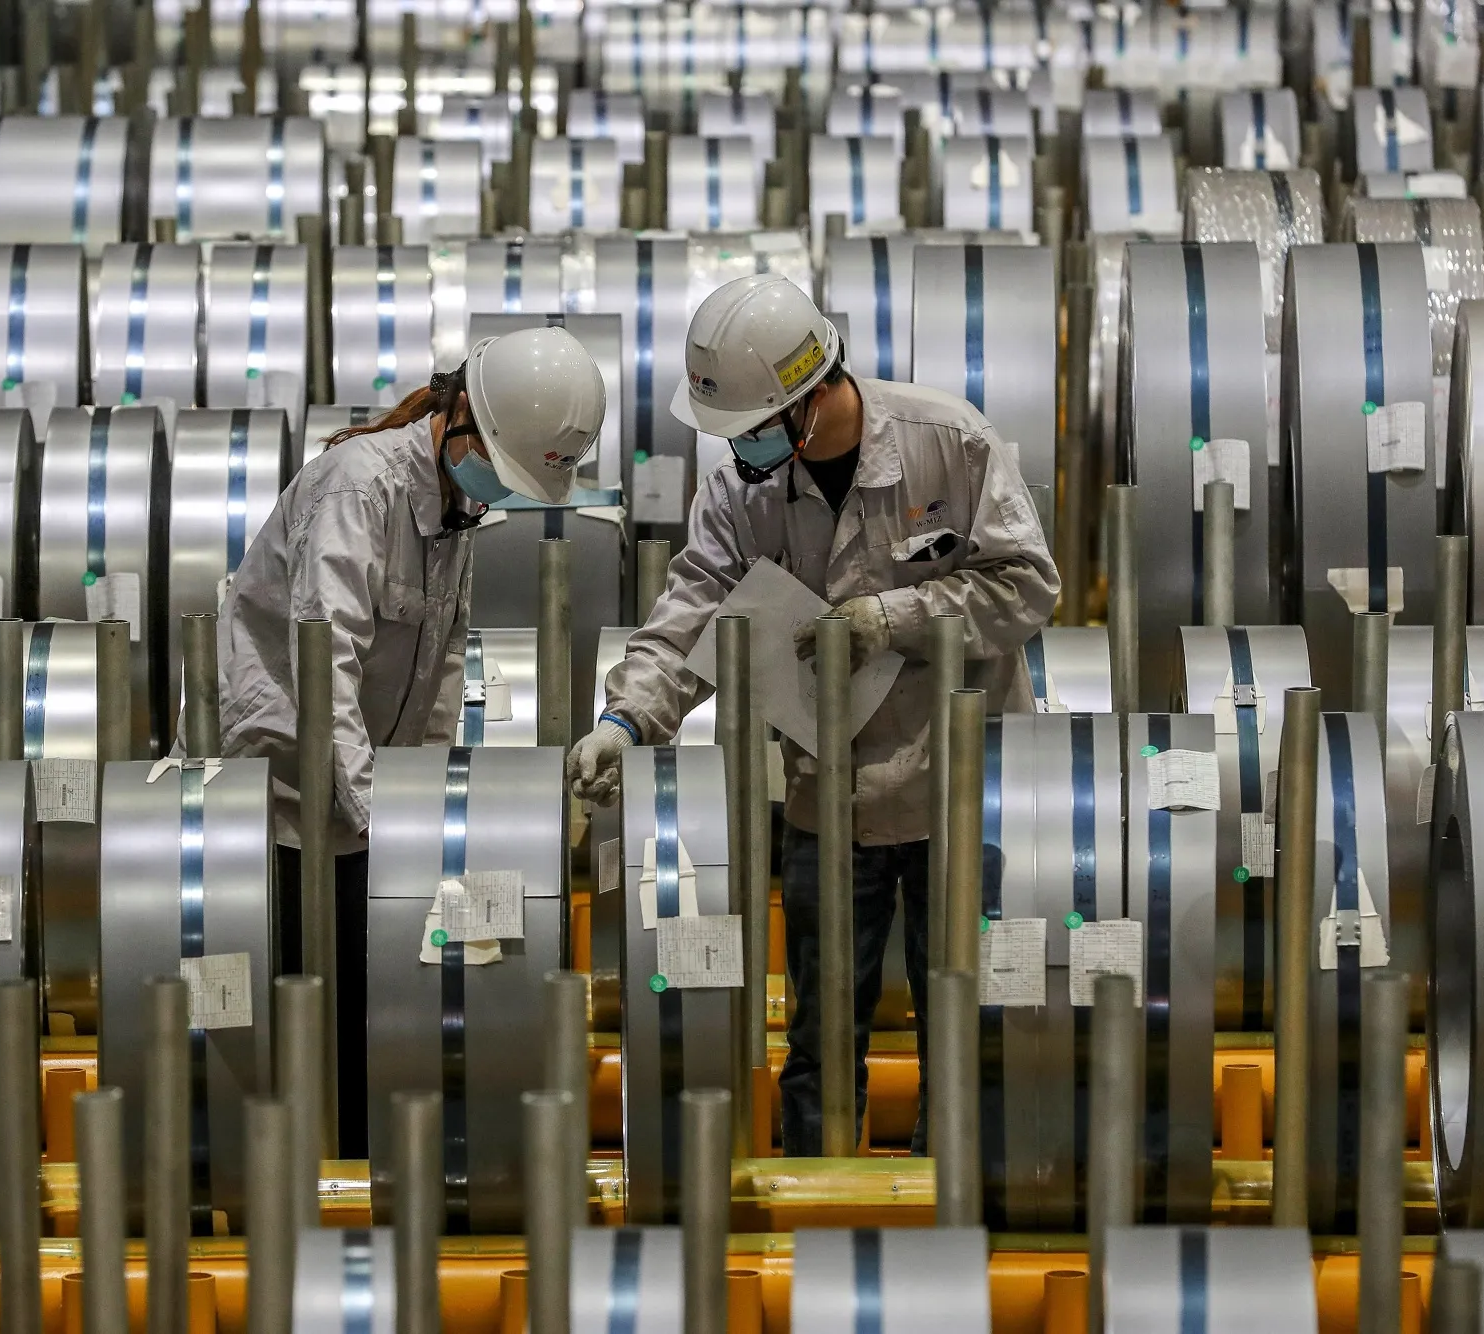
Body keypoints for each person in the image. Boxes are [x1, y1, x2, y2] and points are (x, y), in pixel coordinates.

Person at [568, 273, 1058, 1154]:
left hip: (961, 792)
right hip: (827, 799)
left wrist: (894, 618)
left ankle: (952, 1210)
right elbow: (691, 615)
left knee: (967, 1026)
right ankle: (820, 1224)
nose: (741, 451)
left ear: (809, 397)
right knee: (821, 1042)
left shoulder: (948, 442)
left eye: (753, 431)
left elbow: (1027, 587)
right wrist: (625, 719)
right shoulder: (740, 492)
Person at [220, 326, 606, 1156]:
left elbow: (441, 666)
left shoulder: (455, 507)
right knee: (315, 1017)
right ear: (458, 414)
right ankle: (321, 1190)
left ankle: (375, 1171)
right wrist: (391, 827)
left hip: (368, 800)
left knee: (380, 1010)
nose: (494, 497)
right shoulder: (358, 491)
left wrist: (429, 812)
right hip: (292, 797)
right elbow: (327, 672)